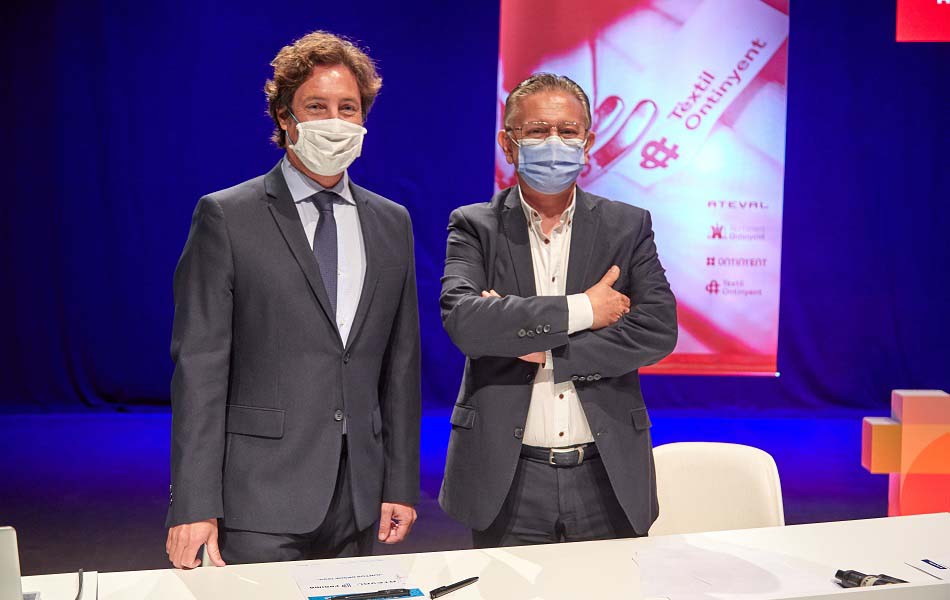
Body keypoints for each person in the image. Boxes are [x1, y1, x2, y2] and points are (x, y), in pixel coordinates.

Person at [164, 31, 420, 568]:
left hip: (357, 497)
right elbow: (200, 369)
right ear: (285, 116)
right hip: (258, 497)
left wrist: (399, 482)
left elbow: (400, 366)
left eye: (347, 108)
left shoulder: (391, 222)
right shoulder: (227, 216)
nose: (335, 120)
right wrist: (193, 503)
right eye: (316, 107)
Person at [439, 73, 677, 547]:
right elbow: (465, 322)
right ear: (508, 144)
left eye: (568, 131)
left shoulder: (627, 226)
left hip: (606, 473)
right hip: (507, 477)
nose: (554, 143)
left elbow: (656, 329)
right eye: (537, 131)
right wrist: (586, 309)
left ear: (588, 142)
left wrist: (537, 344)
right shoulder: (475, 226)